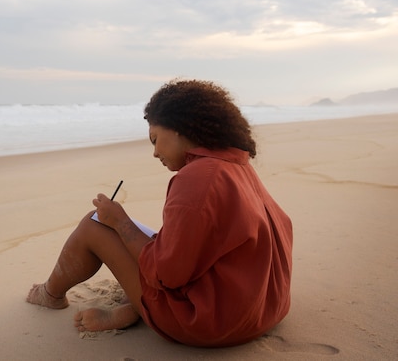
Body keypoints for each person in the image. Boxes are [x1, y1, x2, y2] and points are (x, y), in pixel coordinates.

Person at [26, 79, 293, 347]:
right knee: (154, 238)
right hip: (264, 309)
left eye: (155, 139)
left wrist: (120, 223)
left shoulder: (197, 177)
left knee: (93, 225)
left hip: (207, 323)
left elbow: (167, 275)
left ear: (179, 128)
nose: (154, 153)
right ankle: (134, 307)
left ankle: (51, 295)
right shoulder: (237, 165)